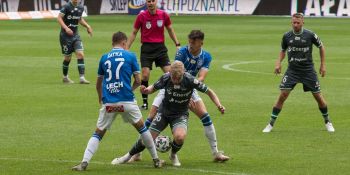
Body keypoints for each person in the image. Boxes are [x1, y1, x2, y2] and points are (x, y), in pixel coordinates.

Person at [130, 30, 229, 163]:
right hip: (169, 87)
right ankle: (137, 153)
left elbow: (201, 78)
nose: (190, 44)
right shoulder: (182, 52)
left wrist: (186, 95)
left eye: (193, 42)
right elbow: (174, 73)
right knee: (151, 117)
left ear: (201, 43)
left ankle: (216, 153)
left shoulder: (206, 56)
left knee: (205, 116)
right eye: (189, 41)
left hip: (189, 86)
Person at [71, 31, 163, 171]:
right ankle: (156, 160)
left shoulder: (104, 58)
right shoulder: (130, 56)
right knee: (143, 129)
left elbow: (98, 83)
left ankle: (84, 163)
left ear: (112, 43)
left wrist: (100, 98)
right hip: (127, 102)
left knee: (98, 133)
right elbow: (139, 81)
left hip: (109, 103)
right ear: (124, 43)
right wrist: (130, 90)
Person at [111, 61, 225, 167]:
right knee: (146, 138)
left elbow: (209, 92)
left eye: (178, 78)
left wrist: (219, 105)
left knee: (180, 137)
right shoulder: (165, 78)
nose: (175, 80)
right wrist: (145, 90)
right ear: (170, 73)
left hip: (180, 114)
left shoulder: (190, 80)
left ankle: (173, 154)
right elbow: (152, 88)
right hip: (164, 112)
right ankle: (127, 156)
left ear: (183, 74)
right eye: (173, 78)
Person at [262, 13, 335, 133]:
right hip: (292, 71)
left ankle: (328, 121)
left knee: (318, 97)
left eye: (298, 23)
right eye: (293, 23)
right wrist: (278, 63)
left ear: (302, 22)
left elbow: (321, 47)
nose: (295, 25)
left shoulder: (310, 35)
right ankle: (270, 124)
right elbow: (283, 50)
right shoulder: (286, 36)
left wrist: (323, 64)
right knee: (282, 96)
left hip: (308, 71)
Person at [127, 0, 181, 109]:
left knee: (171, 73)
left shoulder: (163, 15)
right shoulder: (141, 16)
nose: (150, 3)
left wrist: (177, 44)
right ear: (146, 3)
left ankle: (173, 99)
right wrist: (126, 48)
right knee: (145, 75)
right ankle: (145, 102)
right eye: (148, 1)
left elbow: (170, 29)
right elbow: (134, 32)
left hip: (160, 48)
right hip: (146, 49)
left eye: (152, 1)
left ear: (156, 2)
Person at [58, 0, 92, 84]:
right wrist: (66, 28)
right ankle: (65, 77)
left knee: (80, 54)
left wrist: (87, 26)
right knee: (67, 58)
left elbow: (79, 19)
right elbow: (59, 18)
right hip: (65, 37)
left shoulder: (80, 7)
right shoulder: (66, 7)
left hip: (75, 36)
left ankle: (82, 78)